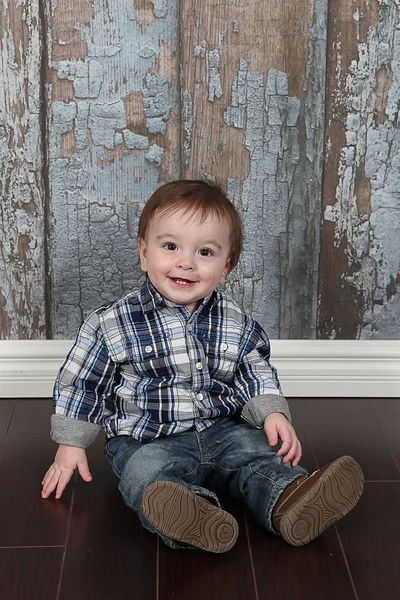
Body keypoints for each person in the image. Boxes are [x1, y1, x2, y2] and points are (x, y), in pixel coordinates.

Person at [41, 180, 364, 553]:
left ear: (225, 267)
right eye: (171, 246)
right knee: (145, 474)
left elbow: (250, 366)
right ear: (144, 254)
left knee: (259, 456)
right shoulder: (112, 323)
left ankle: (290, 500)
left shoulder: (233, 318)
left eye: (205, 252)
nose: (186, 262)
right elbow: (83, 383)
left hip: (222, 429)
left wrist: (272, 412)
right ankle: (193, 516)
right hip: (149, 437)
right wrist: (71, 442)